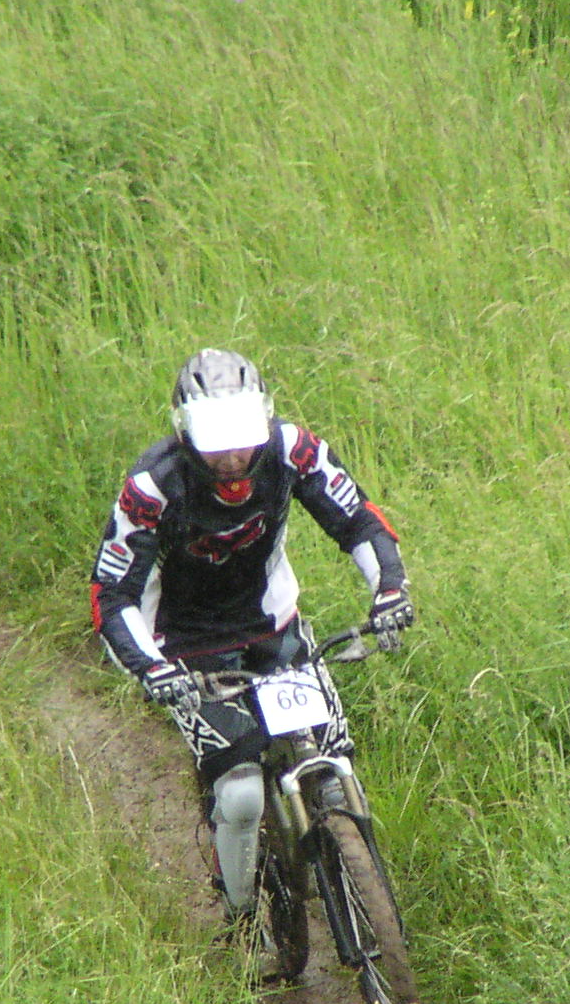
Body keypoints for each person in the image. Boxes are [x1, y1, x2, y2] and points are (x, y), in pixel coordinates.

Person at [89, 348, 414, 925]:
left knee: (334, 760)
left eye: (243, 437)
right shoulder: (151, 488)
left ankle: (364, 885)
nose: (233, 458)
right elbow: (112, 594)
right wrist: (151, 667)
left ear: (264, 417)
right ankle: (240, 920)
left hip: (274, 625)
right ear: (185, 432)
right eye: (215, 441)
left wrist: (389, 588)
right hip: (186, 648)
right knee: (240, 795)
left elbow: (359, 519)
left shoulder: (293, 450)